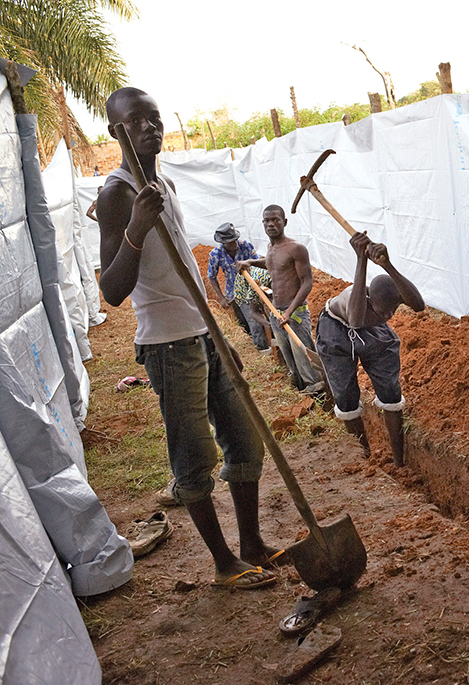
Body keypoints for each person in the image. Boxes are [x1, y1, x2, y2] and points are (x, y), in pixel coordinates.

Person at [96, 86, 280, 589]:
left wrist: (222, 339)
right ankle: (223, 564)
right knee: (194, 458)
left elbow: (192, 281)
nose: (151, 127)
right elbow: (112, 290)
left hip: (203, 336)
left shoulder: (167, 185)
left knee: (245, 443)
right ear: (117, 132)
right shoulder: (116, 195)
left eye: (155, 118)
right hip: (167, 347)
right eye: (137, 121)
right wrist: (136, 227)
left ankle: (251, 544)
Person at [315, 231, 425, 467]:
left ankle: (399, 463)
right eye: (380, 312)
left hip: (370, 332)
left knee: (391, 391)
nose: (387, 316)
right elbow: (355, 321)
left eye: (392, 311)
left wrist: (388, 265)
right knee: (346, 396)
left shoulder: (387, 297)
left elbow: (418, 305)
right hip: (336, 331)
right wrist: (361, 260)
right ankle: (364, 458)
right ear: (369, 300)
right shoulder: (355, 300)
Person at [236, 205, 324, 394]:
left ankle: (318, 395)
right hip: (276, 312)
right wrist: (250, 262)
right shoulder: (271, 248)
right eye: (267, 220)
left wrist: (290, 311)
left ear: (284, 222)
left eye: (275, 219)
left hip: (295, 313)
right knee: (290, 359)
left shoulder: (296, 249)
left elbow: (307, 282)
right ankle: (301, 394)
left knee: (304, 359)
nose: (271, 224)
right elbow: (272, 265)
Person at [206, 223, 267, 351]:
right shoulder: (215, 254)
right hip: (232, 294)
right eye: (230, 242)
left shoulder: (245, 246)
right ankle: (251, 347)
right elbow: (212, 276)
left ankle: (262, 350)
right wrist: (221, 297)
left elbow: (258, 264)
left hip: (249, 291)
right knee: (242, 323)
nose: (234, 243)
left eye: (234, 240)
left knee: (254, 321)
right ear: (223, 242)